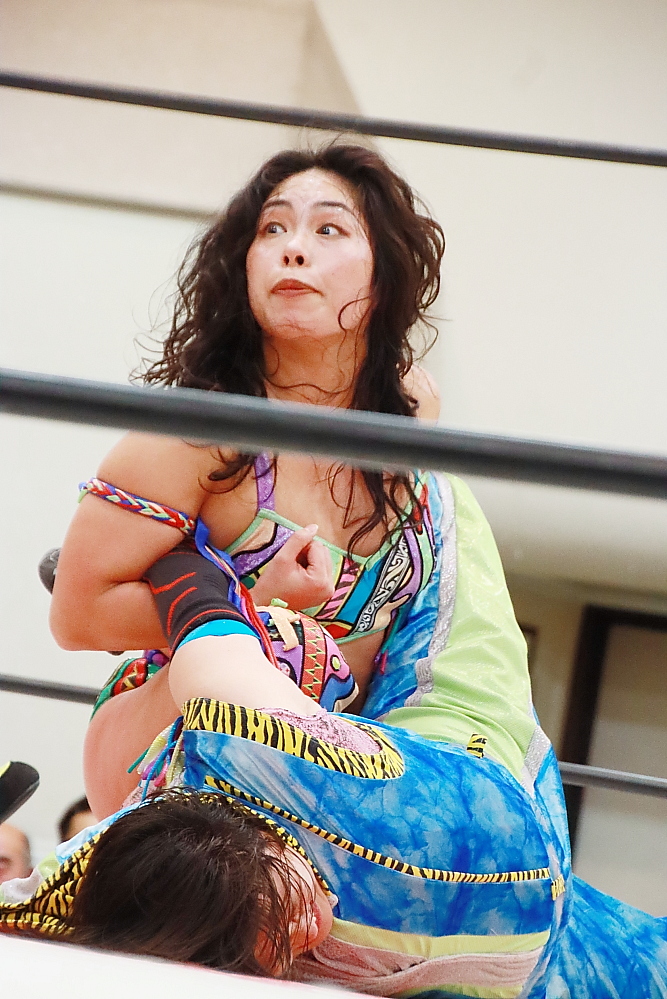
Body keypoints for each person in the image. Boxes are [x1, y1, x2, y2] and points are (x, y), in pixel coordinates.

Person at [3, 511, 666, 998]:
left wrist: (161, 581)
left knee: (435, 499)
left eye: (275, 912)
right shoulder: (130, 888)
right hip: (528, 932)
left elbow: (203, 614)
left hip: (473, 772)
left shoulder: (255, 749)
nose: (300, 929)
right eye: (263, 954)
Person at [47, 143, 446, 818]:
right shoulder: (197, 433)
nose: (294, 249)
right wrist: (255, 601)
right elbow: (75, 616)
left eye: (329, 229)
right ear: (243, 268)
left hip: (336, 769)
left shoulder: (413, 408)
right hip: (167, 747)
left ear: (384, 272)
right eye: (272, 229)